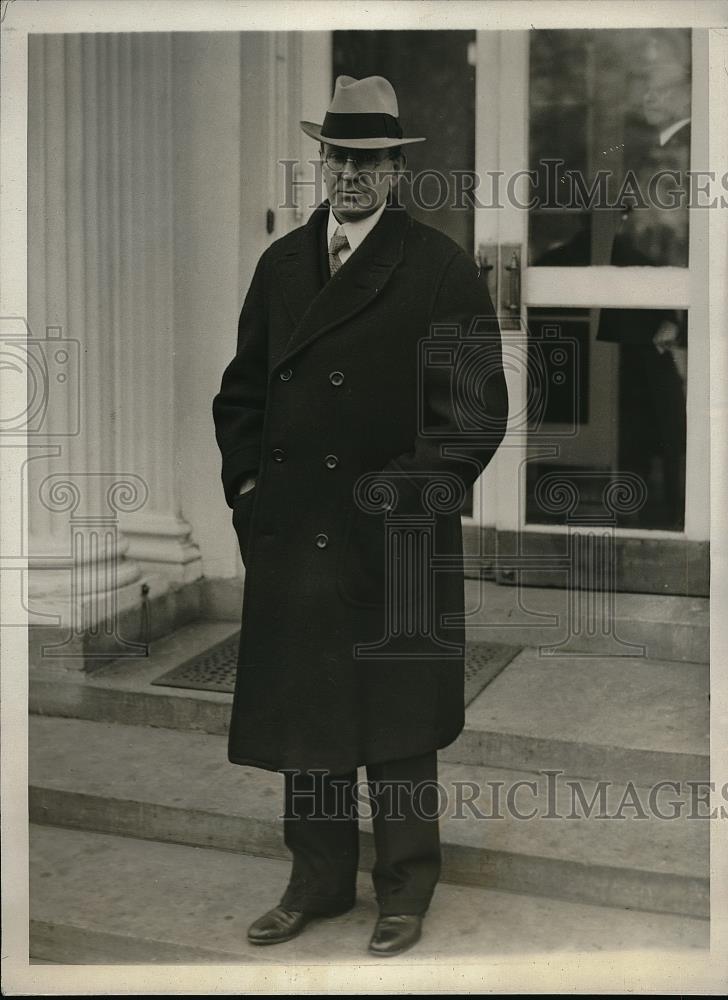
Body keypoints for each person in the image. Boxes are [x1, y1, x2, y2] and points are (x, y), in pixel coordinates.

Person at [212, 75, 508, 957]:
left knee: (400, 719)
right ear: (322, 162)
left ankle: (406, 889)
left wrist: (398, 500)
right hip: (298, 532)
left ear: (394, 171)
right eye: (339, 156)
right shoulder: (283, 266)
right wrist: (248, 491)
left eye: (370, 159)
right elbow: (241, 396)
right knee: (312, 713)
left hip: (396, 534)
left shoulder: (440, 267)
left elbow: (475, 416)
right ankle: (318, 880)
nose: (351, 174)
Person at [596, 36, 690, 529]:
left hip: (662, 319)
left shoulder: (690, 148)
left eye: (658, 86)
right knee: (639, 429)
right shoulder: (653, 147)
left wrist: (678, 318)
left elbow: (680, 240)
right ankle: (636, 522)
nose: (647, 96)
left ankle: (668, 529)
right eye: (643, 86)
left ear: (688, 91)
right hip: (640, 314)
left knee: (670, 433)